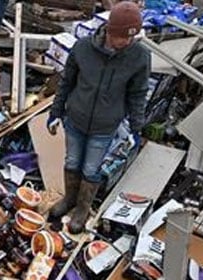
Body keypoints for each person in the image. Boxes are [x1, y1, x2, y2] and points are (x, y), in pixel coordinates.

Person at [46, 1, 150, 234]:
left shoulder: (139, 56)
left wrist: (136, 126)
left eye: (131, 37)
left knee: (91, 169)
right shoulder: (83, 48)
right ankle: (69, 200)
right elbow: (66, 82)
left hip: (105, 126)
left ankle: (83, 208)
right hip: (75, 119)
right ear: (110, 30)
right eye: (122, 36)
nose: (126, 42)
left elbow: (138, 93)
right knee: (72, 162)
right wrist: (55, 112)